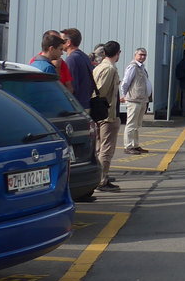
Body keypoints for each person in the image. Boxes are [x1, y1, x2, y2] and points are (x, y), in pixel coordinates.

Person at [91, 41, 123, 192]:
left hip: (100, 115)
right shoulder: (109, 69)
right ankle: (102, 180)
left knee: (99, 148)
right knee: (106, 149)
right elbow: (101, 92)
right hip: (107, 116)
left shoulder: (100, 67)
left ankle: (98, 177)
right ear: (118, 53)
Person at [119, 48, 152, 155]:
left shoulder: (141, 67)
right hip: (134, 99)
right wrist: (124, 95)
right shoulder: (132, 67)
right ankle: (128, 146)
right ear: (135, 55)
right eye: (141, 55)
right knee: (131, 124)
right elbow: (125, 82)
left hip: (142, 99)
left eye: (144, 55)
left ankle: (135, 145)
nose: (143, 57)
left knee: (137, 124)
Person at [61, 27, 95, 113]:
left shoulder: (71, 59)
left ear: (68, 42)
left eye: (61, 40)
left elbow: (71, 86)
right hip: (86, 103)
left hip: (77, 106)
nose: (59, 43)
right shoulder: (84, 56)